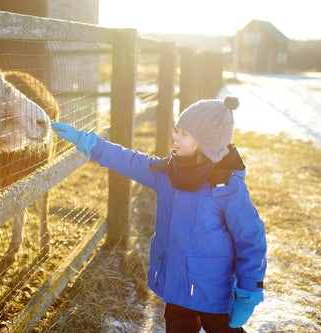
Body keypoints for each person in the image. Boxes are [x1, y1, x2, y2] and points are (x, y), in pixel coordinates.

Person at [51, 96, 266, 333]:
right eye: (177, 131)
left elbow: (251, 238)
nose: (175, 137)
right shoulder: (168, 173)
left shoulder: (227, 187)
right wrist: (92, 144)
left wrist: (248, 292)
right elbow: (131, 161)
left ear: (206, 142)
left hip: (214, 289)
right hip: (176, 286)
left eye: (184, 134)